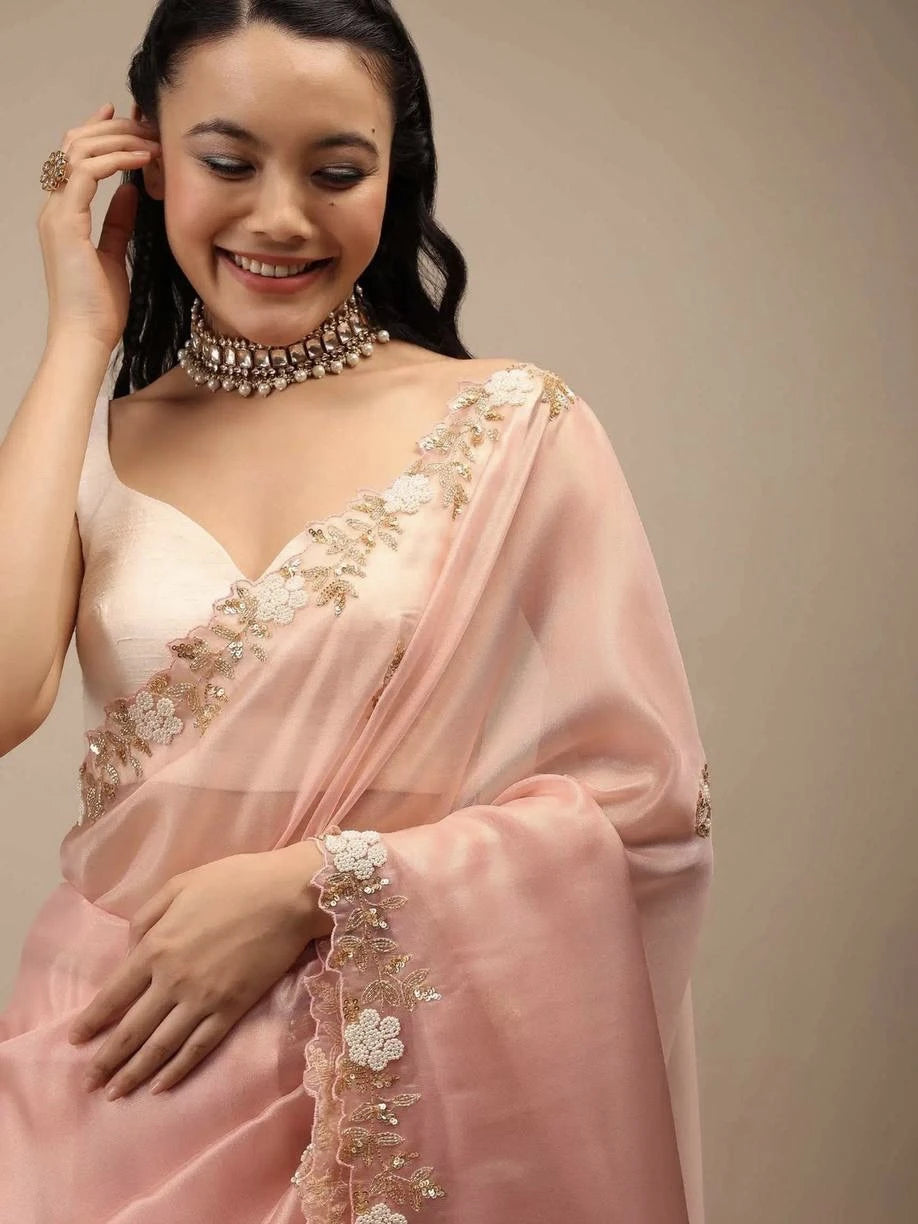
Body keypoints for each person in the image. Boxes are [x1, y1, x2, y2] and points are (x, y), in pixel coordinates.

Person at [0, 2, 714, 1221]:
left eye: (337, 172)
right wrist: (79, 334)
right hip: (106, 1050)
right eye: (228, 163)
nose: (281, 216)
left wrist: (314, 885)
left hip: (389, 1073)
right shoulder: (90, 440)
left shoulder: (509, 427)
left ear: (395, 173)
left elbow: (647, 804)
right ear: (149, 161)